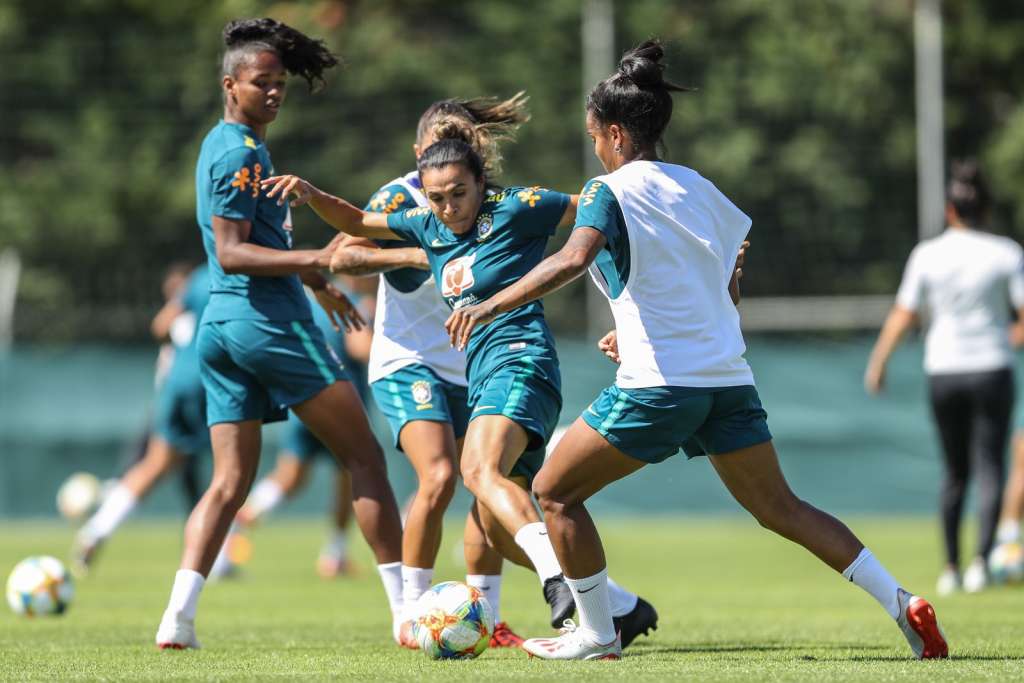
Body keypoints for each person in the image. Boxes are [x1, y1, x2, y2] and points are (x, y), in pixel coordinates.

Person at [445, 40, 948, 661]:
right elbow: (722, 301)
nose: (596, 148)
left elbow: (573, 258)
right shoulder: (704, 192)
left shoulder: (609, 189)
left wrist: (491, 303)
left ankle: (599, 635)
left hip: (661, 384)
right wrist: (631, 331)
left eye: (596, 137)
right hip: (727, 379)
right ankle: (902, 602)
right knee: (781, 507)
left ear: (618, 135)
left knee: (553, 492)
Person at [263, 138, 656, 642]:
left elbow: (602, 210)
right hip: (483, 375)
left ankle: (555, 579)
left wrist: (635, 296)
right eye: (437, 198)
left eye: (459, 194)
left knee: (474, 471)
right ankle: (615, 609)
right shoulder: (426, 223)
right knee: (494, 520)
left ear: (480, 183)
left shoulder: (520, 206)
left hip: (521, 361)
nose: (449, 208)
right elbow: (357, 224)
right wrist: (312, 192)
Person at [155, 18, 404, 650]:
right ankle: (410, 613)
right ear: (229, 84)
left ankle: (178, 620)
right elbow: (233, 255)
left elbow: (261, 240)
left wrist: (316, 284)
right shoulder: (239, 151)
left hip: (224, 330)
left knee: (231, 483)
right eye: (260, 82)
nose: (273, 92)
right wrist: (323, 263)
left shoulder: (231, 145)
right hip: (264, 325)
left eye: (279, 84)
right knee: (364, 458)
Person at [866, 160, 1024, 595]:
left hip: (945, 370)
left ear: (950, 210)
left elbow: (904, 312)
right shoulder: (1007, 252)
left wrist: (879, 360)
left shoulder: (928, 254)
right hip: (992, 367)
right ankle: (980, 564)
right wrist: (1006, 336)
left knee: (955, 471)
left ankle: (951, 568)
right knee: (991, 466)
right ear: (986, 210)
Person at [227, 279, 375, 579]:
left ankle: (237, 526)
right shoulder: (352, 300)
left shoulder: (308, 301)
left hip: (303, 402)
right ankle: (335, 554)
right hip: (342, 405)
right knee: (352, 476)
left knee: (288, 478)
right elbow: (361, 348)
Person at [72, 263, 211, 575]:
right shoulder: (227, 275)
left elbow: (160, 325)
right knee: (229, 474)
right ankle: (217, 561)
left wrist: (176, 348)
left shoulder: (198, 282)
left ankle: (96, 529)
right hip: (206, 386)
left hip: (173, 386)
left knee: (156, 466)